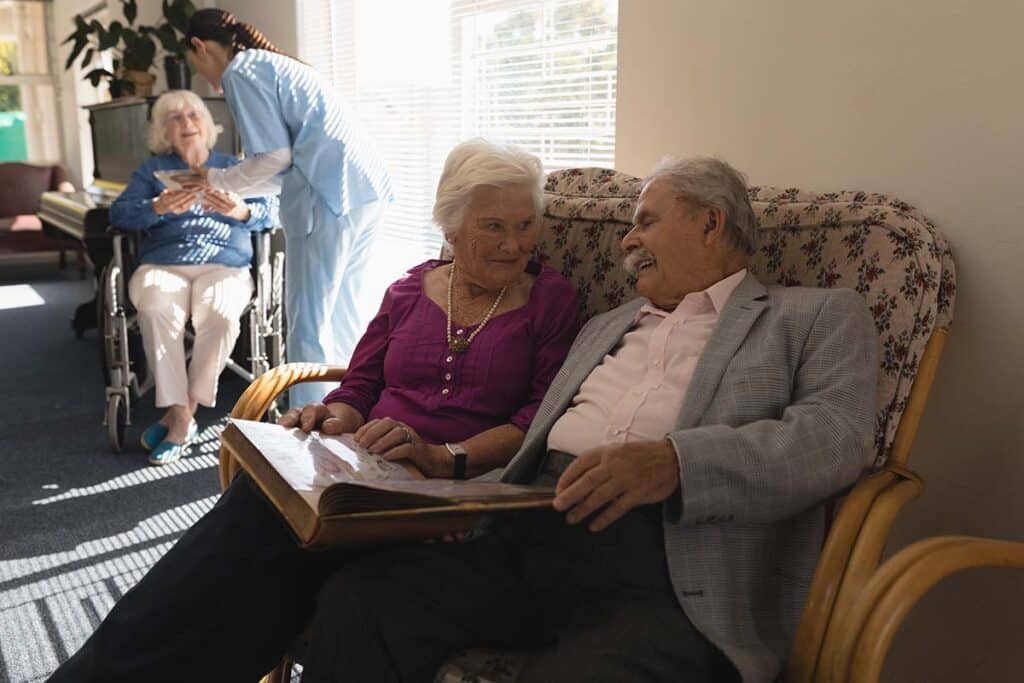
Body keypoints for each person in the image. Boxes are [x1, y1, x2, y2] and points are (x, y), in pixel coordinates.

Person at [288, 157, 880, 683]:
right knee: (361, 601)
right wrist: (453, 480)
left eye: (646, 221)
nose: (627, 242)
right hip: (526, 526)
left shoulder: (812, 316)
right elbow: (528, 425)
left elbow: (835, 437)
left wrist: (676, 462)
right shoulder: (609, 323)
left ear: (710, 223)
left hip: (663, 563)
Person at [47, 140, 580, 683]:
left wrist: (444, 459)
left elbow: (537, 419)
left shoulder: (551, 302)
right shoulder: (407, 291)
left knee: (269, 558)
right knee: (245, 529)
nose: (515, 246)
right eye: (494, 227)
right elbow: (360, 384)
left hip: (452, 498)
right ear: (451, 226)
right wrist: (331, 417)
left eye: (525, 225)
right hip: (363, 478)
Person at [180, 8, 395, 407]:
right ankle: (350, 412)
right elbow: (283, 166)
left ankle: (306, 431)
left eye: (194, 62)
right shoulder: (275, 63)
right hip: (365, 191)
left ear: (199, 46)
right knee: (343, 316)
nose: (200, 72)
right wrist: (226, 185)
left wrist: (214, 179)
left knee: (307, 326)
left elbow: (273, 157)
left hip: (328, 198)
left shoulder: (240, 71)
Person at [108, 90, 275, 466]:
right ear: (163, 131)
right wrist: (157, 206)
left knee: (219, 313)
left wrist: (241, 210)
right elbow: (119, 215)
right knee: (154, 308)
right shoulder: (152, 172)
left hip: (224, 264)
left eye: (192, 115)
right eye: (175, 118)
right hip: (164, 264)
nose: (186, 123)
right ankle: (183, 421)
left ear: (206, 123)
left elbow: (271, 215)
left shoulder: (234, 167)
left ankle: (180, 414)